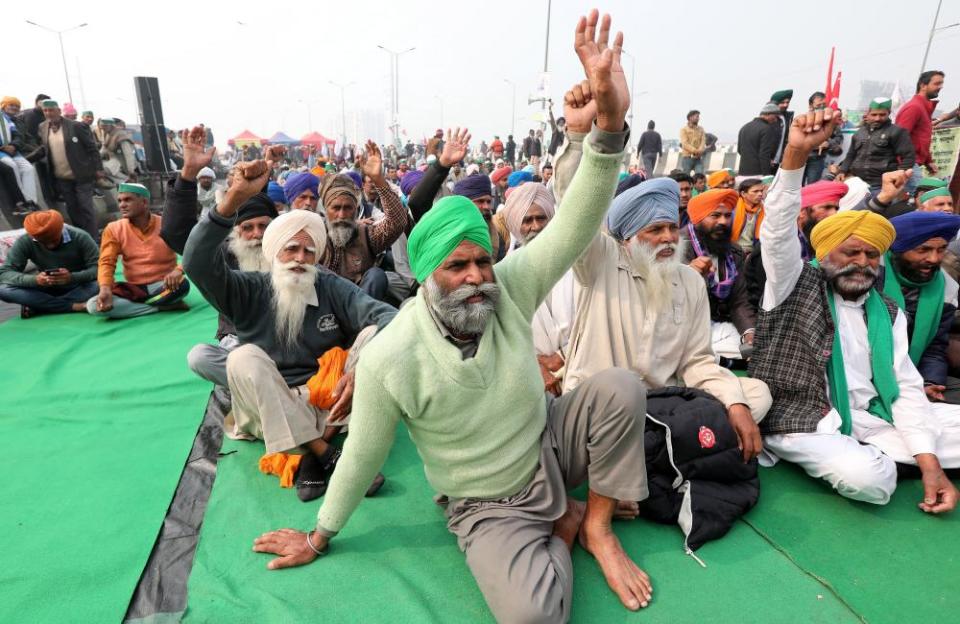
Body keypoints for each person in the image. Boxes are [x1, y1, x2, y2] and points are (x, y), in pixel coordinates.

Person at [252, 15, 656, 621]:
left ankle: (594, 524)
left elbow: (573, 227)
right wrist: (319, 536)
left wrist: (606, 130)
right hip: (486, 504)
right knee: (532, 617)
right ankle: (563, 524)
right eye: (456, 266)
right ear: (423, 277)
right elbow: (361, 452)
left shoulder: (508, 288)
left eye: (481, 261)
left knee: (621, 387)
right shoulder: (394, 356)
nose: (475, 276)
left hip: (548, 443)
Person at [751, 106, 960, 510]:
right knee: (871, 483)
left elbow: (904, 387)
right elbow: (776, 230)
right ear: (825, 251)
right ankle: (890, 456)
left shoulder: (886, 311)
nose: (862, 263)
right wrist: (795, 153)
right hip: (805, 419)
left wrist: (931, 466)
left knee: (921, 429)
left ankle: (900, 453)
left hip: (871, 415)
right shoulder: (793, 283)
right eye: (851, 252)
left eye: (872, 255)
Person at [182, 159, 396, 501]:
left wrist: (360, 371)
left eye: (309, 251)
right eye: (291, 249)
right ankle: (323, 451)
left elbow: (389, 319)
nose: (300, 257)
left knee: (373, 339)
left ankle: (304, 451)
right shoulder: (246, 288)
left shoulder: (328, 284)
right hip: (267, 400)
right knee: (243, 358)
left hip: (326, 401)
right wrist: (231, 200)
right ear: (274, 253)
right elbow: (194, 261)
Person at [557, 131, 772, 452]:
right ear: (627, 239)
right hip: (602, 402)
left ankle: (659, 445)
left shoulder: (687, 281)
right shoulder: (602, 262)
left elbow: (697, 361)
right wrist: (577, 138)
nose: (668, 238)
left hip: (664, 401)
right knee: (609, 417)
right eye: (654, 230)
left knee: (755, 394)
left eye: (672, 228)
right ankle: (679, 443)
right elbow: (574, 214)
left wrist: (734, 403)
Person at [160, 127, 279, 385]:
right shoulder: (225, 253)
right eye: (248, 228)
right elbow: (176, 234)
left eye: (264, 226)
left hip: (287, 339)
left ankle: (263, 384)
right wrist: (188, 173)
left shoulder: (290, 249)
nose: (257, 235)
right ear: (236, 231)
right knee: (200, 357)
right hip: (239, 339)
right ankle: (264, 384)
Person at [885, 211, 960, 404]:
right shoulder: (872, 277)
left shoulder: (947, 287)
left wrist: (930, 380)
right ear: (899, 248)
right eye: (923, 250)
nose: (934, 259)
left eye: (941, 249)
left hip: (913, 372)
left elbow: (935, 346)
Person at [316, 142, 406, 301]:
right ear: (325, 209)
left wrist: (378, 180)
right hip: (326, 308)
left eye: (348, 208)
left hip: (360, 307)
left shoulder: (366, 234)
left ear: (356, 209)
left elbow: (397, 222)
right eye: (336, 208)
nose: (342, 214)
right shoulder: (315, 236)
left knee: (376, 275)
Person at [87, 183, 190, 319]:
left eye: (128, 200)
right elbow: (106, 262)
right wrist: (105, 288)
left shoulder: (166, 224)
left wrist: (178, 270)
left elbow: (191, 250)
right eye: (120, 201)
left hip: (163, 285)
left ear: (144, 202)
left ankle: (143, 305)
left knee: (182, 284)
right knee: (93, 305)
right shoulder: (113, 229)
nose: (122, 205)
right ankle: (160, 306)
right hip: (134, 289)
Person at [683, 189, 756, 362]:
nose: (723, 222)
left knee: (756, 350)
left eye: (727, 216)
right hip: (685, 328)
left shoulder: (733, 251)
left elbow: (739, 301)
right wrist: (689, 274)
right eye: (715, 216)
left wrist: (749, 334)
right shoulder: (677, 248)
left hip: (719, 329)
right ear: (698, 218)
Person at [0, 210, 99, 318]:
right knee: (4, 290)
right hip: (47, 287)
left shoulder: (80, 237)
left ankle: (40, 306)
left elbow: (100, 268)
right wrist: (35, 280)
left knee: (101, 284)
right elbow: (5, 272)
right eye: (43, 242)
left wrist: (71, 277)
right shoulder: (25, 241)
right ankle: (72, 306)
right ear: (33, 236)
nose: (51, 246)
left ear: (61, 230)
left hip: (79, 285)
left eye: (54, 240)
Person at [38, 100, 104, 240]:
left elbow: (92, 148)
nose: (48, 113)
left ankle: (93, 239)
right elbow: (44, 149)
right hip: (62, 178)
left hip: (82, 175)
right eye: (45, 111)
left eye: (51, 110)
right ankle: (80, 238)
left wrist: (98, 169)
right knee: (72, 209)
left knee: (86, 207)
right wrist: (27, 159)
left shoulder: (76, 126)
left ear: (59, 111)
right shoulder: (43, 127)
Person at [838, 98, 915, 190]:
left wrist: (899, 176)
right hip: (857, 183)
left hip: (882, 185)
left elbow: (909, 156)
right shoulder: (859, 133)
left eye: (882, 115)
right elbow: (851, 155)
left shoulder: (897, 132)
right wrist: (842, 171)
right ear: (868, 114)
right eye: (874, 115)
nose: (877, 118)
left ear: (889, 113)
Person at [896, 70, 944, 193]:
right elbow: (899, 137)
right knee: (920, 200)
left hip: (913, 164)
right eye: (937, 83)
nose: (940, 87)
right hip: (908, 164)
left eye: (941, 84)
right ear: (923, 85)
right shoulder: (914, 107)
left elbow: (920, 139)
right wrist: (904, 167)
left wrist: (929, 160)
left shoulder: (923, 107)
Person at [0, 96, 40, 208]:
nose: (14, 108)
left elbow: (17, 135)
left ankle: (31, 201)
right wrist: (3, 147)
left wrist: (13, 146)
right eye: (11, 105)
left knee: (28, 168)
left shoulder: (7, 119)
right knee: (12, 166)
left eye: (16, 106)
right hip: (2, 152)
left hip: (13, 151)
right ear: (4, 106)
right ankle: (21, 201)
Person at [804, 92, 844, 185]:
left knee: (813, 186)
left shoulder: (830, 121)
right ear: (811, 105)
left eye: (824, 105)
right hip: (801, 158)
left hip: (817, 159)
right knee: (796, 187)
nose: (821, 107)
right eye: (818, 105)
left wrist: (828, 143)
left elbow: (839, 138)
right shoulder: (803, 119)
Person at [737, 102, 780, 176]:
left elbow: (740, 150)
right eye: (775, 117)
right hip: (758, 174)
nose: (776, 120)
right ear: (768, 114)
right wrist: (766, 176)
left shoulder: (744, 127)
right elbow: (764, 155)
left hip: (743, 173)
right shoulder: (767, 129)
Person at [99, 118, 138, 185]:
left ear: (110, 125)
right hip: (113, 161)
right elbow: (103, 150)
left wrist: (131, 171)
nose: (103, 129)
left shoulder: (121, 135)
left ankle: (127, 180)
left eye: (104, 126)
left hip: (122, 164)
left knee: (106, 168)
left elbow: (128, 155)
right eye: (102, 127)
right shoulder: (107, 135)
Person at [731, 178, 765, 253]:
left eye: (761, 191)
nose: (760, 194)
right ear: (743, 194)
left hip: (755, 252)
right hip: (735, 251)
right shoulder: (732, 210)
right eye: (755, 191)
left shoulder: (763, 210)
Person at [770, 89, 795, 166]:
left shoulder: (788, 118)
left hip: (781, 161)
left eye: (787, 102)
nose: (785, 105)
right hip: (768, 160)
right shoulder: (769, 118)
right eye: (782, 103)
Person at [679, 110, 705, 175]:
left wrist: (700, 150)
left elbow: (703, 141)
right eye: (697, 116)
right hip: (687, 158)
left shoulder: (701, 129)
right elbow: (684, 143)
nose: (698, 118)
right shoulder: (684, 130)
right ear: (690, 117)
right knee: (686, 177)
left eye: (698, 117)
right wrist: (695, 151)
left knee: (699, 176)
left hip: (698, 158)